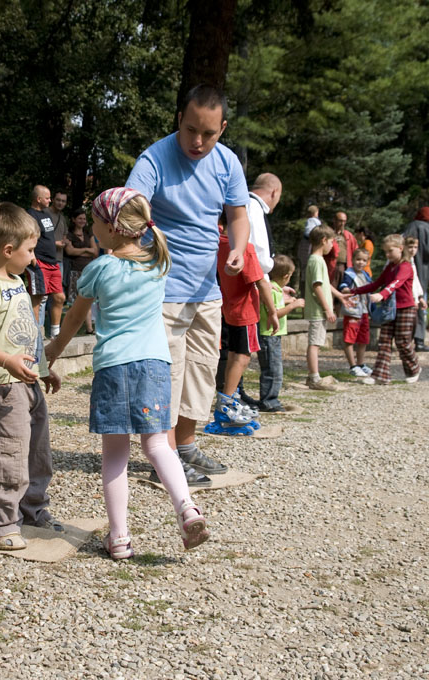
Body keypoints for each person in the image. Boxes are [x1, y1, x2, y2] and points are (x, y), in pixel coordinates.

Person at [45, 188, 210, 558]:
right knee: (158, 445)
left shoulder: (100, 269)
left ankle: (119, 537)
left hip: (114, 368)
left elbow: (74, 318)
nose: (92, 230)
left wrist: (54, 350)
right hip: (155, 365)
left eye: (95, 222)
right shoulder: (157, 264)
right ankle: (187, 508)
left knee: (115, 454)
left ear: (112, 227)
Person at [126, 84, 250, 478]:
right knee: (167, 375)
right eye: (191, 129)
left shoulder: (228, 163)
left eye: (208, 133)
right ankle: (163, 459)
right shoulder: (154, 158)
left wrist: (238, 249)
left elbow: (238, 216)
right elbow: (131, 207)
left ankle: (186, 446)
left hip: (206, 289)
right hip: (163, 289)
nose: (197, 141)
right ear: (180, 119)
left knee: (200, 369)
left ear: (222, 129)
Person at [0, 203, 62, 550]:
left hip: (29, 383)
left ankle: (32, 510)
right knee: (8, 456)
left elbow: (28, 331)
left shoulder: (17, 281)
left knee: (37, 453)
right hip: (4, 389)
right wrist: (6, 362)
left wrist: (44, 368)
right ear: (8, 250)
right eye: (30, 250)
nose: (34, 258)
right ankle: (0, 523)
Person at [211, 221, 279, 430]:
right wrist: (272, 312)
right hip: (245, 310)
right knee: (242, 357)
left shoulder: (217, 243)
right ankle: (226, 404)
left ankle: (230, 397)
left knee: (233, 355)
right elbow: (261, 282)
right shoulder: (244, 248)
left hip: (228, 308)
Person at [348, 234, 421, 385]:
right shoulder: (390, 267)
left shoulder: (405, 266)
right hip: (389, 309)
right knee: (384, 341)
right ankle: (380, 376)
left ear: (400, 248)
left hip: (405, 308)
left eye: (390, 251)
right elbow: (376, 284)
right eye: (385, 252)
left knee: (402, 342)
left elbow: (396, 283)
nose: (387, 255)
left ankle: (414, 368)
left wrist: (382, 295)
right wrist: (353, 291)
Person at [257, 255, 304, 412]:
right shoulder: (273, 291)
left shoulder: (273, 289)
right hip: (269, 334)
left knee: (273, 368)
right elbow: (275, 313)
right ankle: (269, 401)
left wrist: (287, 301)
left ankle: (269, 399)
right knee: (273, 370)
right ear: (286, 276)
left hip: (271, 335)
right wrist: (293, 306)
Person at [305, 225, 347, 391]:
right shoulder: (316, 260)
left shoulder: (318, 259)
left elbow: (325, 283)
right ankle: (314, 377)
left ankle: (314, 375)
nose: (332, 245)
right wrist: (327, 309)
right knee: (314, 344)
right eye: (331, 242)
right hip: (317, 311)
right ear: (323, 240)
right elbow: (317, 286)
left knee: (316, 342)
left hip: (319, 310)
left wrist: (340, 296)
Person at [25, 185, 66, 338]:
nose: (50, 201)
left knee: (60, 297)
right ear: (38, 199)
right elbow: (26, 237)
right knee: (38, 298)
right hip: (39, 262)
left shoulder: (46, 214)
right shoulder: (30, 216)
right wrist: (32, 256)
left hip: (52, 262)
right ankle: (35, 336)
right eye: (47, 198)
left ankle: (55, 333)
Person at [403, 207, 429, 352]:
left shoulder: (410, 227)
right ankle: (419, 340)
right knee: (420, 302)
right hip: (422, 273)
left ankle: (405, 340)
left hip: (406, 271)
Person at [339, 248, 373, 378]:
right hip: (353, 311)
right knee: (350, 338)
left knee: (363, 339)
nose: (360, 262)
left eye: (364, 260)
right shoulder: (349, 274)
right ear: (353, 260)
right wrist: (346, 290)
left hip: (364, 311)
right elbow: (344, 286)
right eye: (358, 259)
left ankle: (361, 363)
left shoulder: (366, 275)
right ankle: (353, 366)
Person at [64, 208, 100, 319]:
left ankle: (89, 327)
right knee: (73, 301)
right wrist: (87, 250)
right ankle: (71, 323)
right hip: (74, 270)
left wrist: (79, 251)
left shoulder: (88, 233)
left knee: (88, 299)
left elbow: (95, 252)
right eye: (80, 218)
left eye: (84, 219)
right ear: (73, 219)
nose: (82, 221)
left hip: (88, 270)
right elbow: (70, 251)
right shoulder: (69, 234)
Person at [245, 173, 281, 275]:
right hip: (253, 278)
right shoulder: (254, 207)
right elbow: (259, 255)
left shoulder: (248, 204)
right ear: (274, 192)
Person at [405, 237, 429, 348]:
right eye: (410, 247)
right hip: (407, 299)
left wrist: (420, 297)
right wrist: (413, 298)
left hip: (414, 299)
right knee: (407, 326)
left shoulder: (412, 261)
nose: (413, 250)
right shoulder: (404, 262)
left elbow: (416, 281)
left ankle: (408, 347)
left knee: (413, 324)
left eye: (415, 247)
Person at [326, 211, 358, 288]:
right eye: (340, 221)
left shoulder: (348, 235)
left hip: (345, 267)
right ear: (334, 220)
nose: (342, 223)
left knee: (344, 289)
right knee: (330, 289)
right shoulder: (328, 234)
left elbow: (356, 251)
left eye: (344, 221)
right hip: (331, 266)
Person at [50, 190, 71, 297]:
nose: (60, 203)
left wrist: (65, 241)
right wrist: (54, 243)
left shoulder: (62, 217)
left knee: (57, 294)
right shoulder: (44, 214)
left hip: (59, 259)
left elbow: (64, 235)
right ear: (52, 200)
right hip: (45, 258)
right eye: (58, 200)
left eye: (63, 201)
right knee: (44, 294)